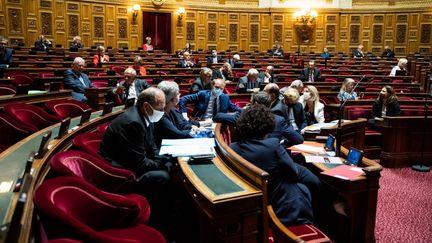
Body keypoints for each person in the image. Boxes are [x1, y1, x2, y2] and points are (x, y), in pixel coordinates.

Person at [99, 87, 173, 233]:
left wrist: (162, 161)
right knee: (163, 177)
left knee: (169, 164)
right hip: (120, 173)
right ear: (147, 106)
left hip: (132, 161)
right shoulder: (133, 123)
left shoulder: (145, 116)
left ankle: (169, 212)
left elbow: (152, 147)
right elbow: (138, 163)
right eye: (161, 108)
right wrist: (161, 165)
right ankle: (160, 222)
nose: (163, 112)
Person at [230, 104, 318, 226]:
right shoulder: (272, 144)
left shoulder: (231, 148)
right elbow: (293, 172)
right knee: (304, 187)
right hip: (274, 199)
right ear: (269, 125)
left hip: (247, 200)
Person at [154, 81, 203, 147]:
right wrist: (194, 132)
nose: (179, 95)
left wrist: (191, 127)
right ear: (173, 99)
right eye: (178, 94)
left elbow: (181, 124)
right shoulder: (160, 114)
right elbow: (177, 134)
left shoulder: (172, 109)